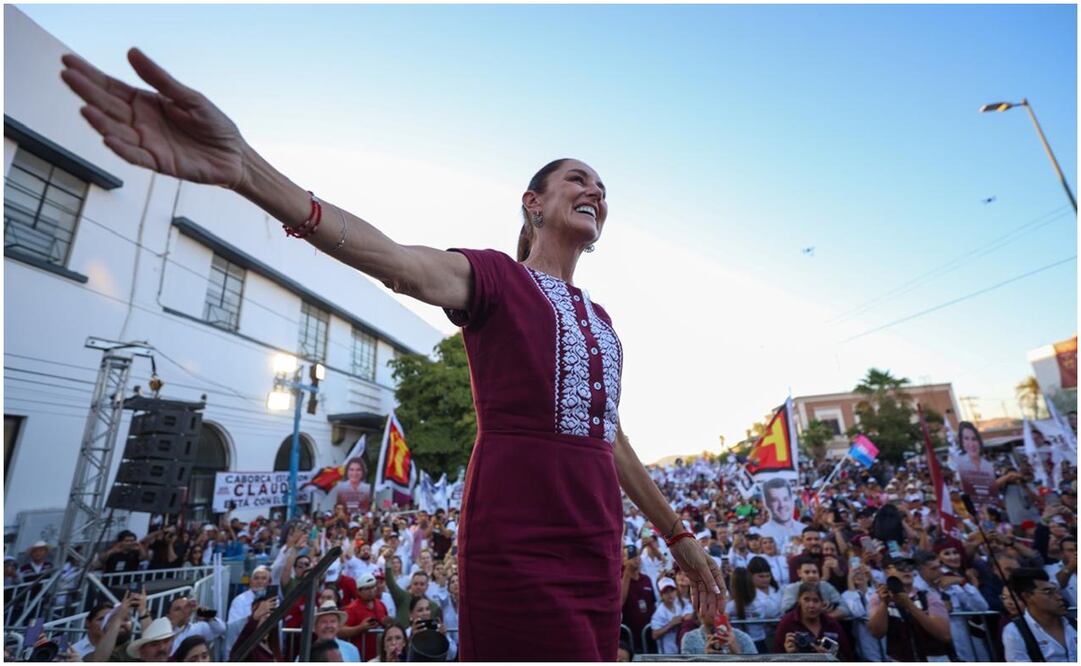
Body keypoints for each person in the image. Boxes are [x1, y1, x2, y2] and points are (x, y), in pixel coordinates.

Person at [60, 52, 724, 660]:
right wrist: (248, 173)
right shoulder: (494, 278)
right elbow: (398, 263)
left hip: (597, 543)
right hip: (519, 537)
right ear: (533, 203)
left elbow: (606, 436)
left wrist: (679, 538)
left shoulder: (602, 321)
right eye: (579, 179)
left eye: (603, 188)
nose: (596, 192)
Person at [867, 555, 953, 661]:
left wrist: (909, 604)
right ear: (887, 572)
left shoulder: (928, 596)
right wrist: (884, 603)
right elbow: (876, 632)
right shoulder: (879, 598)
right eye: (900, 567)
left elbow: (944, 635)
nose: (906, 570)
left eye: (910, 567)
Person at [914, 549, 990, 661]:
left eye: (939, 566)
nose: (939, 571)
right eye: (933, 569)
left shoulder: (950, 583)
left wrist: (962, 582)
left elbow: (982, 607)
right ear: (920, 570)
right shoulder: (916, 590)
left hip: (964, 648)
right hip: (936, 651)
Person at [1002, 568, 1077, 662]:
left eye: (1056, 592)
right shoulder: (1014, 632)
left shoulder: (1074, 623)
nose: (1059, 597)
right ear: (1027, 597)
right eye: (1048, 592)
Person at [774, 582, 852, 660]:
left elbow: (847, 655)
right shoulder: (787, 623)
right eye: (806, 600)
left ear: (822, 603)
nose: (811, 605)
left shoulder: (831, 624)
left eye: (816, 600)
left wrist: (831, 656)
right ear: (799, 600)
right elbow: (775, 658)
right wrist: (788, 654)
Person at [727, 561, 781, 654]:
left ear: (733, 586)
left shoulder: (728, 607)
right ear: (750, 584)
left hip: (738, 644)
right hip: (758, 643)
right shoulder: (762, 604)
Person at [341, 573, 392, 660]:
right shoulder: (351, 609)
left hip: (379, 655)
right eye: (367, 588)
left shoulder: (381, 604)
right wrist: (360, 628)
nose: (371, 590)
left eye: (373, 587)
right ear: (358, 591)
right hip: (361, 656)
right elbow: (340, 630)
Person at [840, 563, 885, 661]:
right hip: (865, 647)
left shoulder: (874, 592)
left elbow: (884, 594)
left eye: (862, 573)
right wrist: (850, 581)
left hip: (883, 644)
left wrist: (871, 576)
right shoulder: (847, 595)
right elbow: (858, 612)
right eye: (855, 574)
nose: (859, 576)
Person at [226, 565, 272, 656]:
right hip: (243, 646)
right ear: (250, 582)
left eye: (263, 578)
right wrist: (254, 618)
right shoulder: (239, 600)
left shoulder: (274, 600)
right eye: (256, 578)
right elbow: (233, 626)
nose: (259, 581)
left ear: (269, 582)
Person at [780, 557, 847, 619]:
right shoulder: (791, 589)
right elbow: (786, 612)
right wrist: (817, 610)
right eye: (807, 572)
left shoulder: (826, 586)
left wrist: (826, 618)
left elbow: (845, 608)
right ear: (799, 573)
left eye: (814, 572)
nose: (811, 575)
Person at [954, 421, 998, 511]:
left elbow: (993, 491)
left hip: (994, 509)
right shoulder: (960, 464)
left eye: (974, 439)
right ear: (961, 442)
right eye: (966, 439)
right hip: (978, 511)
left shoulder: (987, 464)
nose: (971, 444)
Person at [680, 607, 758, 655]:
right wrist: (705, 659)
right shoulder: (689, 639)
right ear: (698, 612)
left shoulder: (743, 638)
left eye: (719, 604)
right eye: (708, 606)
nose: (716, 610)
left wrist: (737, 654)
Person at [230, 595, 283, 661]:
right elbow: (235, 655)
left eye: (271, 614)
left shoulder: (272, 644)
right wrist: (255, 618)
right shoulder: (250, 645)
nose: (267, 617)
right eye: (263, 614)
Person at [649, 577, 691, 654]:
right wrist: (671, 624)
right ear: (661, 595)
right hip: (667, 654)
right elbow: (654, 635)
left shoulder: (680, 605)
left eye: (672, 591)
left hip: (680, 651)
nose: (670, 594)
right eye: (666, 592)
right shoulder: (659, 612)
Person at [759, 479, 804, 550]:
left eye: (785, 499)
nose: (781, 505)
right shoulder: (763, 532)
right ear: (767, 503)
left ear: (791, 500)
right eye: (775, 500)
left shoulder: (803, 529)